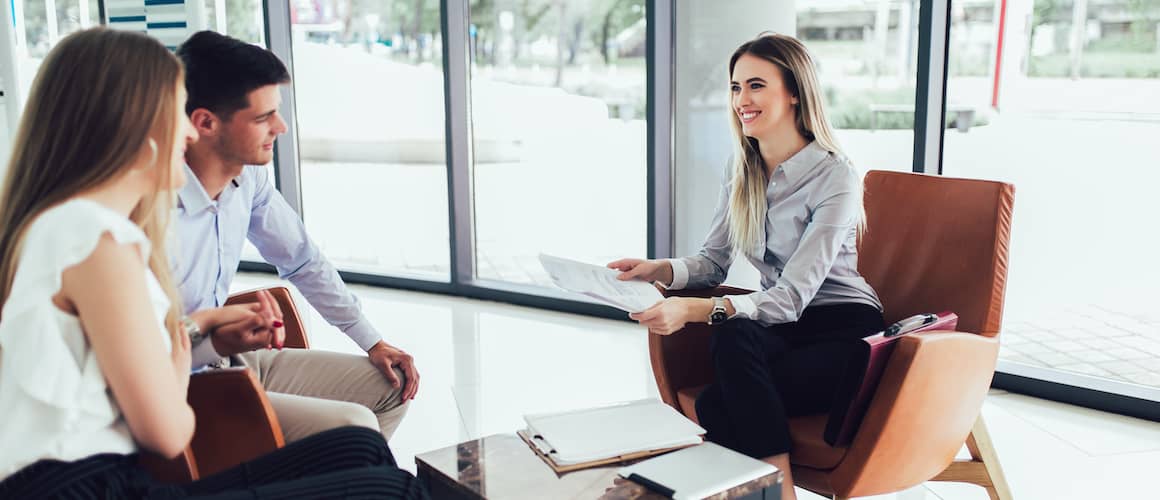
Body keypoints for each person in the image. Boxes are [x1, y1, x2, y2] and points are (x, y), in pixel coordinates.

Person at [0, 28, 426, 499]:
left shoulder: (68, 227)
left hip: (103, 468)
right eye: (175, 113)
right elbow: (166, 430)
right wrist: (183, 349)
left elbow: (300, 259)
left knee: (359, 450)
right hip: (96, 485)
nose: (184, 133)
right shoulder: (101, 240)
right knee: (394, 488)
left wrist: (200, 330)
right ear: (136, 126)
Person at [607, 33, 884, 500]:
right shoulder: (742, 171)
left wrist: (692, 311)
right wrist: (657, 270)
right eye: (735, 88)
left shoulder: (835, 174)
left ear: (794, 91)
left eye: (755, 85)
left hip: (843, 329)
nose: (741, 100)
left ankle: (777, 492)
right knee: (727, 363)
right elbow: (713, 262)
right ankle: (763, 491)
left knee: (721, 392)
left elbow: (793, 297)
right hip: (785, 326)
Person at [172, 30, 417, 442]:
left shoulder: (248, 179)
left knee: (390, 388)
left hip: (230, 358)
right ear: (206, 123)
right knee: (353, 431)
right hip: (181, 385)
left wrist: (372, 341)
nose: (281, 127)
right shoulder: (150, 212)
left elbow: (303, 259)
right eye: (263, 117)